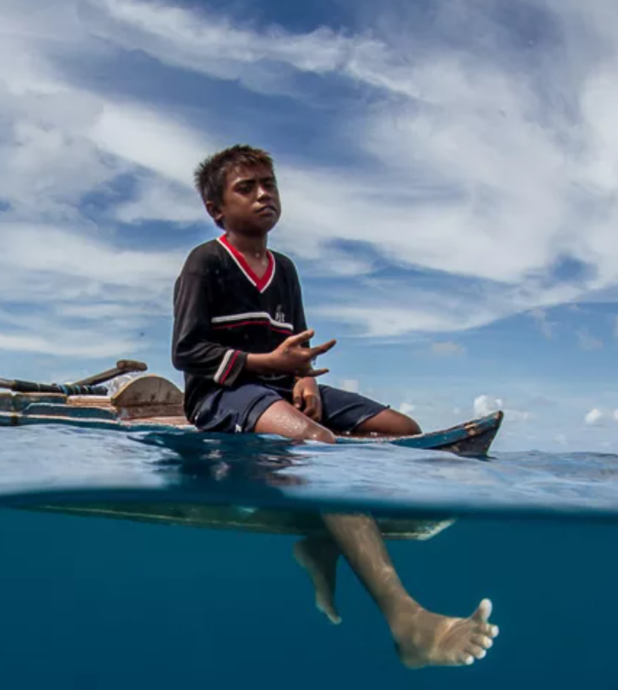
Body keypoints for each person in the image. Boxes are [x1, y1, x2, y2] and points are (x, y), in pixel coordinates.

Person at [172, 145, 498, 669]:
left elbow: (297, 346)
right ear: (216, 209)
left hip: (280, 389)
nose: (263, 195)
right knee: (320, 448)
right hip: (221, 394)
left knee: (402, 429)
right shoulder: (204, 262)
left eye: (269, 185)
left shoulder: (286, 268)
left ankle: (322, 537)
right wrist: (265, 362)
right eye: (246, 188)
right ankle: (406, 620)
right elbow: (185, 351)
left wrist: (304, 377)